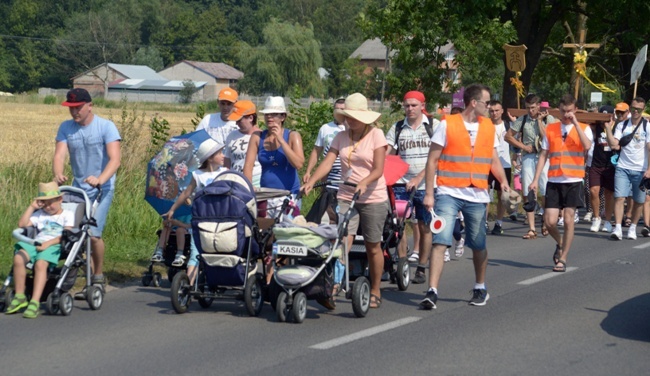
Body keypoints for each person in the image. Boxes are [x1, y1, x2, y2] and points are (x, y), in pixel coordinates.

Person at [420, 84, 509, 310]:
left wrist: (504, 182)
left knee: (478, 244)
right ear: (473, 103)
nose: (489, 108)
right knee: (441, 241)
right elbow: (432, 161)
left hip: (478, 195)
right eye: (486, 103)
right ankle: (432, 291)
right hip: (448, 192)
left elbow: (494, 160)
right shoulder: (447, 124)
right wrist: (430, 193)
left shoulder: (489, 127)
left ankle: (480, 286)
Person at [302, 92, 388, 309]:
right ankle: (333, 286)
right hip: (346, 195)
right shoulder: (341, 136)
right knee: (339, 241)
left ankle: (376, 288)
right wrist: (312, 179)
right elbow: (328, 162)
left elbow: (378, 169)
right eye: (346, 116)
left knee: (372, 245)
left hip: (372, 197)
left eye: (353, 117)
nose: (349, 121)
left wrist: (365, 182)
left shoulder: (376, 135)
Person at [53, 88, 121, 297]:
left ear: (90, 105)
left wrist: (100, 179)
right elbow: (60, 154)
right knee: (71, 234)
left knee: (92, 234)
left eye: (78, 107)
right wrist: (58, 173)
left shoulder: (106, 127)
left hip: (102, 188)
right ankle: (77, 273)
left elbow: (115, 160)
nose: (74, 112)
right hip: (77, 190)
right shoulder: (66, 128)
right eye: (71, 108)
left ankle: (98, 276)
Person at [529, 94, 593, 272]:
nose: (566, 114)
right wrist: (535, 179)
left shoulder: (585, 128)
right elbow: (543, 154)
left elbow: (587, 145)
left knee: (568, 220)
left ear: (575, 110)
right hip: (554, 179)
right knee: (549, 222)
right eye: (563, 111)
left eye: (570, 111)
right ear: (559, 110)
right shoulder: (551, 129)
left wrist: (576, 124)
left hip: (573, 180)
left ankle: (563, 259)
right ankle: (562, 243)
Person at [385, 90, 439, 285]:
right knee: (398, 226)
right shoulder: (398, 127)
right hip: (400, 184)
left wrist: (418, 178)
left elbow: (438, 158)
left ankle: (422, 267)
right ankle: (402, 264)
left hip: (427, 186)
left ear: (422, 106)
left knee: (425, 226)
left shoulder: (434, 126)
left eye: (414, 105)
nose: (410, 109)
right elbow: (388, 154)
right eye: (407, 105)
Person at [5, 182, 75, 318]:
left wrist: (49, 243)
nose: (48, 207)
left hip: (54, 244)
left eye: (51, 203)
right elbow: (22, 225)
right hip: (36, 242)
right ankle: (20, 296)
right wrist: (32, 207)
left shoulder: (67, 214)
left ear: (60, 200)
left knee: (40, 264)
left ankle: (35, 302)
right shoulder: (40, 214)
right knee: (19, 258)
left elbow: (66, 235)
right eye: (45, 203)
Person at [163, 138, 227, 283]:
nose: (223, 156)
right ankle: (189, 285)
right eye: (220, 153)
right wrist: (172, 209)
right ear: (210, 158)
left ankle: (216, 278)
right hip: (201, 219)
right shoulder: (198, 175)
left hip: (220, 218)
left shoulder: (225, 172)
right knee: (195, 253)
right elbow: (186, 193)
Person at [244, 96, 304, 218]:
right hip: (266, 195)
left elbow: (298, 164)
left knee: (286, 232)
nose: (269, 117)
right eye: (267, 114)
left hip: (289, 194)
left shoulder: (292, 136)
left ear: (283, 117)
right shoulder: (257, 136)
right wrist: (249, 189)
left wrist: (281, 141)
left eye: (274, 114)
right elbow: (248, 166)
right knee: (263, 232)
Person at [505, 94, 555, 239]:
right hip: (529, 156)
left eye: (533, 108)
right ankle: (532, 228)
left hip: (544, 157)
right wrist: (523, 146)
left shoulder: (548, 119)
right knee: (528, 191)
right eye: (527, 108)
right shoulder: (523, 120)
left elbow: (547, 138)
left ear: (539, 106)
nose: (530, 110)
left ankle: (545, 220)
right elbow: (508, 136)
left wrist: (540, 121)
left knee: (545, 190)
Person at [604, 97, 650, 240]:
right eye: (634, 108)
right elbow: (614, 145)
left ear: (643, 110)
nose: (636, 111)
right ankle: (617, 228)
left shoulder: (647, 126)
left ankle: (633, 227)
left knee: (639, 201)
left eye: (639, 109)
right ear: (630, 108)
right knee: (619, 197)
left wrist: (649, 169)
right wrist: (608, 129)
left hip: (640, 169)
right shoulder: (622, 125)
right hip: (622, 167)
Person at [303, 98, 347, 223]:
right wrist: (309, 172)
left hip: (346, 178)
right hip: (328, 175)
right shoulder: (325, 128)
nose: (340, 112)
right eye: (337, 109)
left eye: (343, 109)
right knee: (326, 210)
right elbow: (317, 151)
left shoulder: (350, 129)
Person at [587, 105, 616, 233]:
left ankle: (608, 221)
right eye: (602, 116)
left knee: (609, 193)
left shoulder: (617, 127)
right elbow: (584, 117)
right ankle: (596, 217)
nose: (604, 121)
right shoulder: (595, 127)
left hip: (611, 165)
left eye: (607, 117)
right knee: (593, 191)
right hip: (596, 163)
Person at [487, 100, 512, 235]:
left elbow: (516, 140)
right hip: (487, 164)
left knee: (502, 195)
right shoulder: (485, 126)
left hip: (505, 164)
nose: (494, 113)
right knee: (484, 193)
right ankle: (484, 222)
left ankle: (499, 223)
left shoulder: (508, 126)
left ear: (502, 111)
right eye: (492, 111)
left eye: (497, 110)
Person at [224, 100, 262, 187]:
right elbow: (227, 161)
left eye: (239, 120)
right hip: (235, 180)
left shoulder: (261, 136)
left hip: (256, 181)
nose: (236, 123)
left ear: (251, 118)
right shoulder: (232, 135)